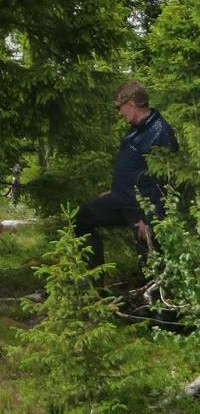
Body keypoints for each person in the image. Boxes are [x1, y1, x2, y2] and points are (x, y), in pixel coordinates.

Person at [73, 80, 178, 274]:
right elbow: (133, 168)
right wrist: (116, 189)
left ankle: (159, 301)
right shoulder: (136, 129)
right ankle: (95, 287)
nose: (120, 113)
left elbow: (164, 181)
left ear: (131, 103)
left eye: (120, 107)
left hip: (142, 209)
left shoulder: (160, 132)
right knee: (81, 218)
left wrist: (149, 219)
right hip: (121, 198)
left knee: (150, 261)